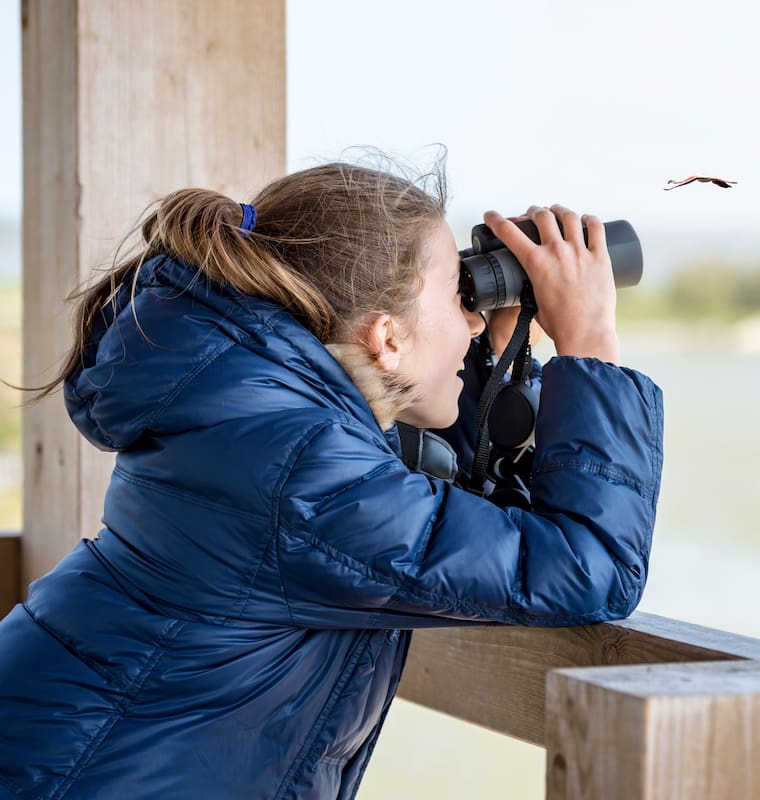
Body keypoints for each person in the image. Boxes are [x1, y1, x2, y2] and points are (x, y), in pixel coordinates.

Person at [0, 160, 663, 799]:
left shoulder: (255, 420)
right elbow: (587, 566)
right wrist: (591, 341)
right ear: (387, 338)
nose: (470, 316)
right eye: (455, 294)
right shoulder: (299, 474)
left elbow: (448, 516)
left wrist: (491, 355)